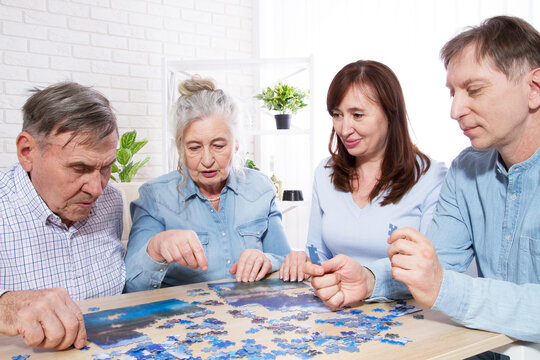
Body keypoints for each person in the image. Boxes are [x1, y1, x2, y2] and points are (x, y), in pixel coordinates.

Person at [305, 15, 540, 343]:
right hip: (486, 347)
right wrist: (371, 280)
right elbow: (439, 265)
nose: (455, 110)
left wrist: (444, 287)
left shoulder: (436, 173)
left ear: (534, 89)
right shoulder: (466, 171)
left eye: (474, 90)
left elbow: (442, 281)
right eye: (453, 93)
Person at [279, 60, 447, 282]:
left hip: (406, 310)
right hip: (337, 306)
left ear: (390, 114)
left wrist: (367, 280)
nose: (344, 129)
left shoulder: (431, 176)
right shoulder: (325, 172)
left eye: (357, 115)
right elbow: (317, 255)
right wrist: (304, 262)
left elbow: (432, 269)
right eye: (337, 115)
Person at [124, 76, 291, 291]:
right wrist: (156, 249)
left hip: (252, 314)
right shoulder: (154, 197)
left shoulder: (260, 188)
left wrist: (268, 260)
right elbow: (131, 286)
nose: (207, 160)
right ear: (180, 148)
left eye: (219, 145)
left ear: (237, 145)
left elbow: (286, 260)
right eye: (194, 148)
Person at [0, 82, 126, 350]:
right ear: (27, 152)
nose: (96, 189)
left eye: (106, 167)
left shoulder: (111, 200)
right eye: (79, 168)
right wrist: (5, 307)